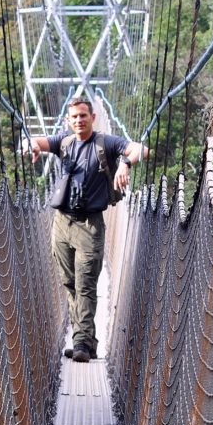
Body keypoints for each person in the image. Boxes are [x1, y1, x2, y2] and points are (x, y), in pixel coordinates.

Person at [21, 96, 148, 363]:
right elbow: (37, 141)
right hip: (61, 223)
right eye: (74, 117)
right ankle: (87, 341)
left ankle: (80, 342)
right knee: (70, 283)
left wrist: (124, 163)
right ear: (68, 120)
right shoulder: (64, 142)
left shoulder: (106, 143)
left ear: (93, 117)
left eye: (83, 115)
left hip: (90, 225)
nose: (79, 120)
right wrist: (31, 145)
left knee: (86, 284)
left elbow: (142, 149)